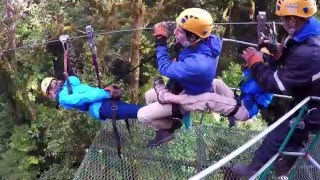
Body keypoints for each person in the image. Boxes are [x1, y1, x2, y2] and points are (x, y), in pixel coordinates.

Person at [229, 0, 320, 177]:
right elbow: (291, 54)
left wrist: (255, 64)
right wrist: (274, 49)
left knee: (282, 130)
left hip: (316, 104)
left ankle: (254, 169)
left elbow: (276, 84)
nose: (281, 23)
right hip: (310, 95)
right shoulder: (307, 31)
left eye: (283, 20)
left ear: (293, 20)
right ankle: (283, 166)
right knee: (296, 129)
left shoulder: (311, 51)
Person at [137, 8, 223, 147]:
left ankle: (173, 124)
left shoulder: (198, 64)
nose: (175, 32)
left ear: (192, 37)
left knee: (142, 115)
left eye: (179, 31)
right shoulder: (206, 40)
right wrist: (166, 25)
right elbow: (188, 27)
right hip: (183, 87)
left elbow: (164, 67)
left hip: (188, 98)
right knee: (149, 96)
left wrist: (160, 39)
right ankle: (165, 126)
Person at [153, 59, 274, 127]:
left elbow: (250, 88)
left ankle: (171, 99)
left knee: (208, 98)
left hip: (245, 110)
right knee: (216, 83)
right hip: (239, 101)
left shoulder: (265, 79)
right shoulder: (258, 74)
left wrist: (253, 66)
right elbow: (247, 79)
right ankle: (192, 96)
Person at [40, 76, 141, 121]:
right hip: (101, 107)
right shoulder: (63, 98)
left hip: (104, 101)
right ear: (50, 93)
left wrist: (107, 93)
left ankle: (157, 125)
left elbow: (75, 81)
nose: (56, 85)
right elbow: (85, 97)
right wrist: (107, 93)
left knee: (137, 110)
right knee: (139, 112)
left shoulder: (68, 86)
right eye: (52, 86)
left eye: (54, 82)